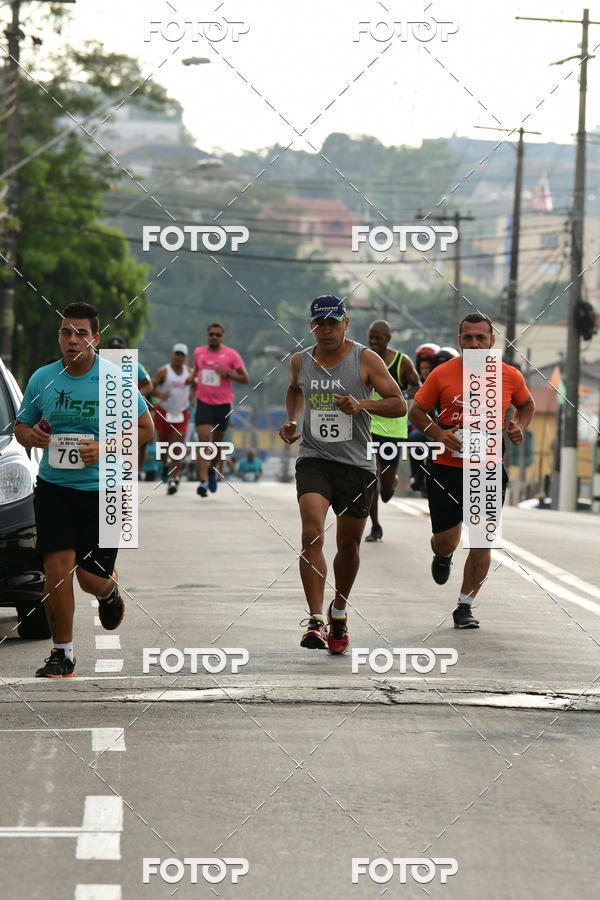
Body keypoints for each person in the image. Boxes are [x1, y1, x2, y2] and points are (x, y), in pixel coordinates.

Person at [14, 303, 154, 677]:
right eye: (65, 332)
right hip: (54, 487)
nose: (72, 339)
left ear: (95, 339)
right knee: (56, 569)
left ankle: (108, 591)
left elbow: (145, 430)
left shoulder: (116, 380)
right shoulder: (42, 378)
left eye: (80, 333)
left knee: (88, 578)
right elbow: (21, 428)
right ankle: (63, 654)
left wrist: (105, 447)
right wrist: (35, 437)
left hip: (105, 490)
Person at [279, 295, 406, 654]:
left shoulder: (365, 359)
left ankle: (339, 612)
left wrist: (362, 403)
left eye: (333, 323)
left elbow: (398, 404)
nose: (326, 330)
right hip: (314, 460)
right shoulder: (301, 361)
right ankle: (316, 621)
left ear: (346, 324)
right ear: (312, 326)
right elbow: (293, 392)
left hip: (357, 466)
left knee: (348, 546)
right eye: (319, 324)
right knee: (311, 534)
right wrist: (291, 421)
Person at [408, 313, 535, 628]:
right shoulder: (441, 374)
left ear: (492, 341)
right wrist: (438, 434)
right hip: (447, 468)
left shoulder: (510, 376)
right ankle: (442, 554)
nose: (475, 343)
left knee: (482, 540)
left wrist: (518, 425)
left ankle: (464, 606)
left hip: (488, 469)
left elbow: (527, 405)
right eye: (468, 338)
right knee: (446, 540)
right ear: (459, 341)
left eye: (481, 337)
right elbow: (416, 411)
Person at [364, 320, 420, 542]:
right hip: (367, 426)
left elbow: (416, 385)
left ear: (388, 339)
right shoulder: (365, 360)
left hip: (393, 430)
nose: (374, 341)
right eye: (371, 337)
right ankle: (375, 526)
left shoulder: (401, 362)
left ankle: (392, 483)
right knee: (370, 479)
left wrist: (405, 396)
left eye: (378, 338)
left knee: (385, 487)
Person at [190, 323, 248, 497]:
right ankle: (202, 481)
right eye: (211, 334)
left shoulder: (231, 355)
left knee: (216, 445)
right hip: (203, 402)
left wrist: (228, 374)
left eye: (218, 335)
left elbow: (245, 378)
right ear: (207, 335)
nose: (214, 337)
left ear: (222, 337)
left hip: (223, 404)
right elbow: (197, 370)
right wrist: (191, 381)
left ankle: (211, 471)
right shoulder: (199, 352)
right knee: (203, 440)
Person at [107, 335, 153, 474]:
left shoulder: (134, 366)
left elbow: (149, 385)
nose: (115, 351)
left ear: (124, 349)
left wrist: (134, 395)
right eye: (112, 348)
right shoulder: (101, 366)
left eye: (118, 348)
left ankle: (135, 472)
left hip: (131, 410)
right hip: (110, 410)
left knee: (135, 443)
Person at [153, 344, 192, 495]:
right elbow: (151, 387)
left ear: (185, 358)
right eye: (176, 354)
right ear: (172, 355)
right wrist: (159, 394)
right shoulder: (164, 372)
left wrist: (193, 398)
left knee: (176, 447)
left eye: (181, 355)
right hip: (164, 412)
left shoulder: (189, 373)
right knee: (163, 448)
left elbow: (195, 386)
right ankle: (164, 464)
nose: (178, 357)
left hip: (181, 413)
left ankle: (173, 479)